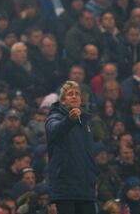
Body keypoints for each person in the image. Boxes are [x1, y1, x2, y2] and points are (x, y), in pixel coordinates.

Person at [45, 81, 98, 214]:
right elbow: (55, 131)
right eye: (70, 94)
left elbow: (88, 156)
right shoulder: (54, 117)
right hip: (65, 191)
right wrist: (69, 120)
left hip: (86, 190)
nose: (74, 96)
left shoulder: (86, 122)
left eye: (77, 94)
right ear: (62, 101)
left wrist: (93, 181)